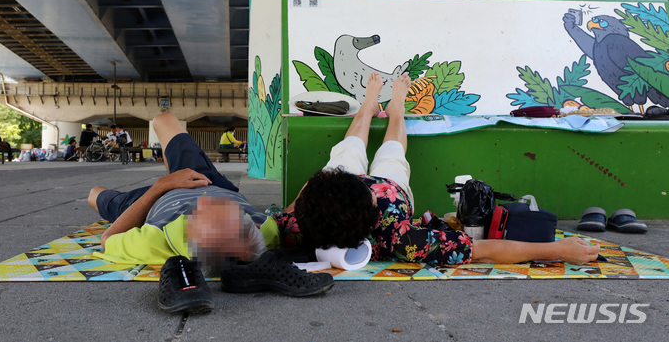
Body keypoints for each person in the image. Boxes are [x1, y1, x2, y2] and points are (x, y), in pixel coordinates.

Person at [277, 73, 600, 266]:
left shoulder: (295, 225)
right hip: (392, 188)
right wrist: (559, 249)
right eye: (369, 195)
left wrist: (323, 186)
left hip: (335, 191)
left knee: (345, 153)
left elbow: (301, 200)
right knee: (391, 152)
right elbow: (485, 250)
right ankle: (396, 111)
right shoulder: (399, 237)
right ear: (372, 213)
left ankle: (369, 104)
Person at [87, 112, 333, 313]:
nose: (206, 202)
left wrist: (162, 185)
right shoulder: (265, 231)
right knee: (164, 119)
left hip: (155, 200)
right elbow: (295, 207)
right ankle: (173, 166)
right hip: (202, 178)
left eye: (202, 214)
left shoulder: (154, 240)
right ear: (251, 223)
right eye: (229, 211)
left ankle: (168, 174)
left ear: (193, 237)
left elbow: (107, 239)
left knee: (95, 194)